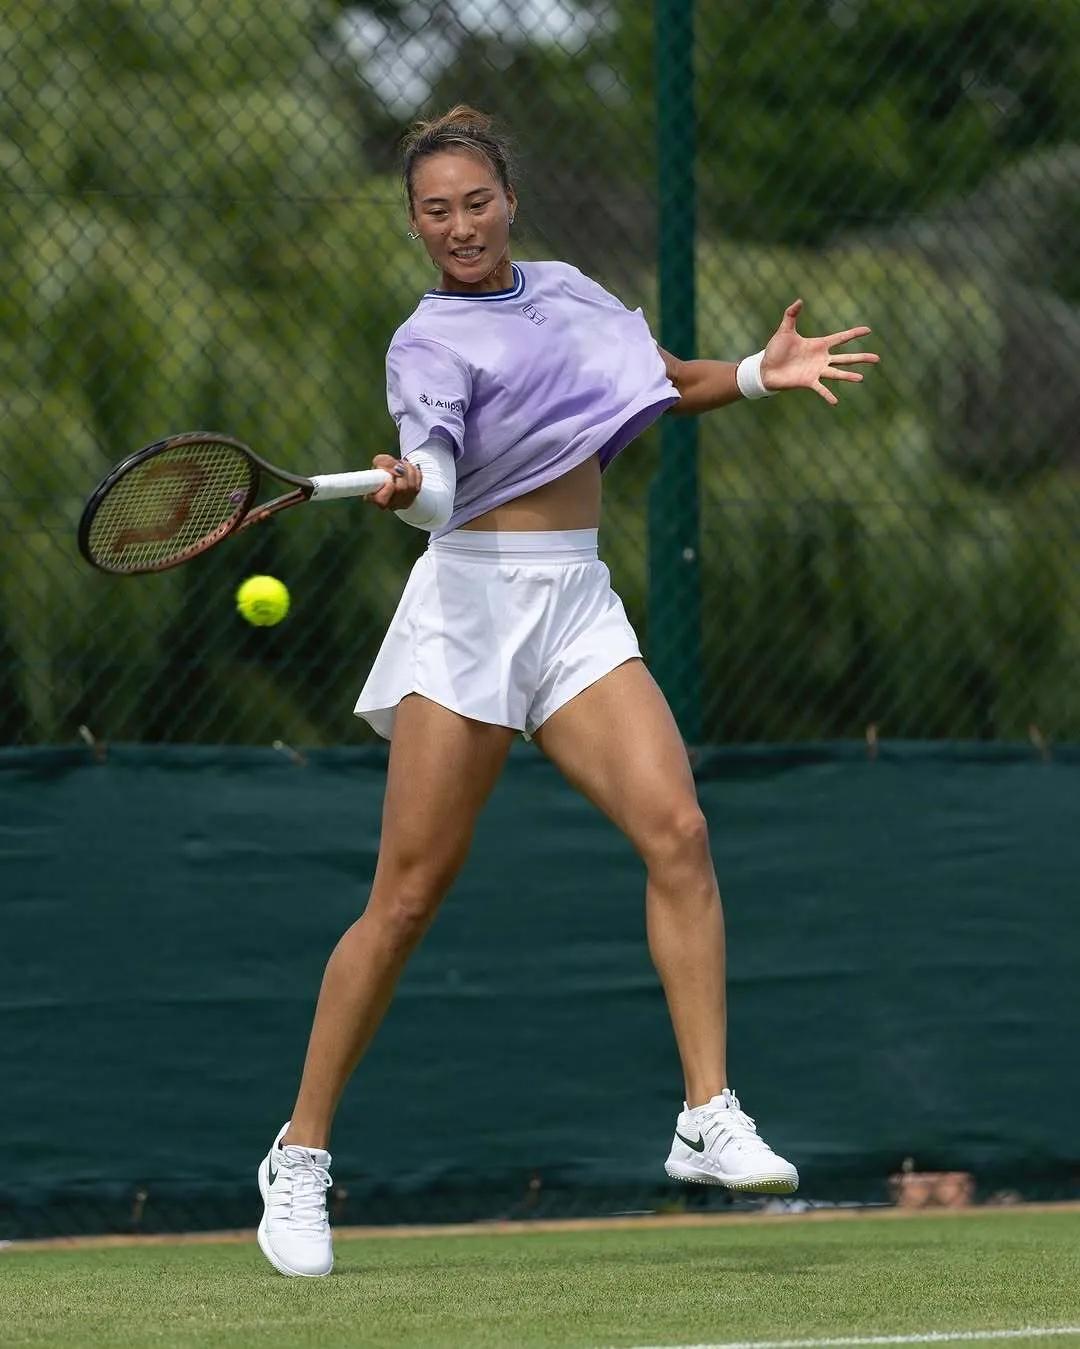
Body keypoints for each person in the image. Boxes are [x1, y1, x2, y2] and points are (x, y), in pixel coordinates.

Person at [256, 105, 879, 1278]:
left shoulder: (572, 292)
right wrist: (411, 484)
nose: (459, 226)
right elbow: (442, 485)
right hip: (471, 611)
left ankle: (706, 1114)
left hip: (575, 600)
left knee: (678, 830)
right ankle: (299, 1153)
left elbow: (659, 381)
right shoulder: (423, 343)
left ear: (510, 201)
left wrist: (759, 372)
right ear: (413, 223)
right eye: (434, 211)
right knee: (406, 899)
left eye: (474, 203)